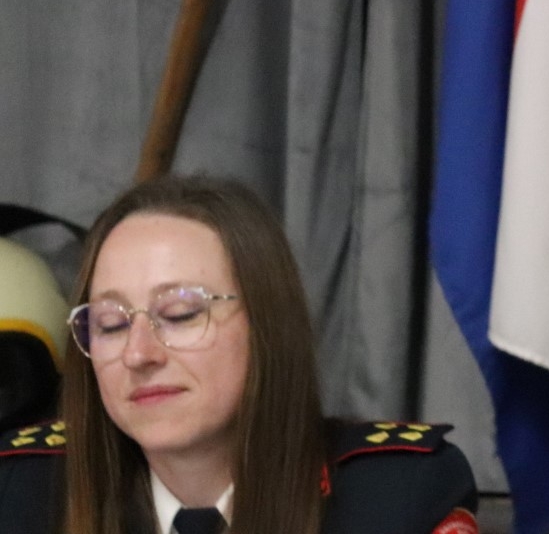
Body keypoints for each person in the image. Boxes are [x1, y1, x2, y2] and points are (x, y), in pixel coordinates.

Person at [0, 176, 479, 534]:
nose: (138, 354)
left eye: (181, 314)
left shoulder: (398, 498)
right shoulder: (22, 491)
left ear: (267, 326)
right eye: (111, 324)